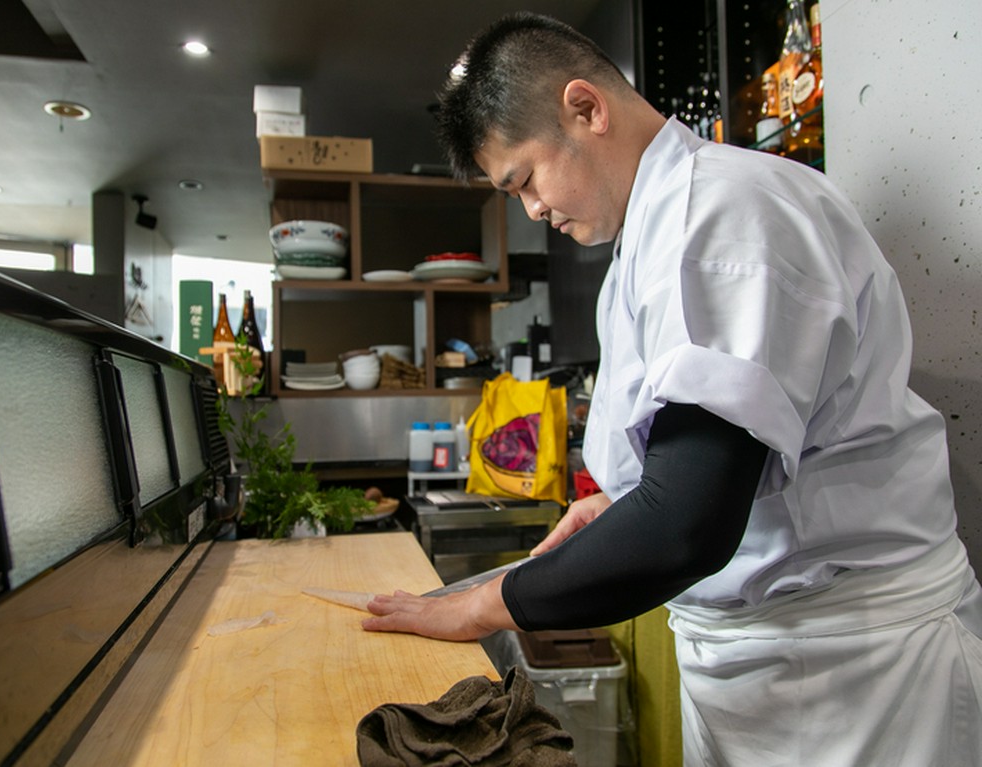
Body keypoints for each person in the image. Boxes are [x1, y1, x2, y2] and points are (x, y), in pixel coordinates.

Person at [362, 11, 982, 765]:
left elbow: (688, 522)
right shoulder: (644, 246)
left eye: (524, 180)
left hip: (859, 668)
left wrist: (482, 606)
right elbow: (715, 461)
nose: (533, 209)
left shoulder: (724, 213)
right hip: (760, 661)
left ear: (585, 108)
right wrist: (622, 501)